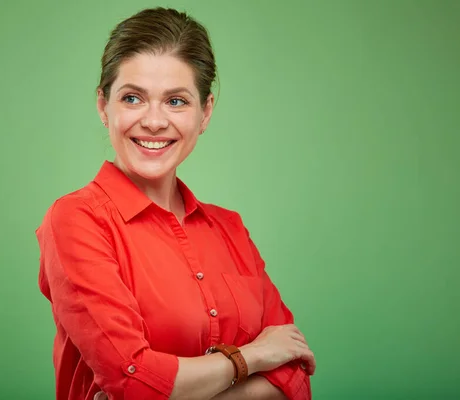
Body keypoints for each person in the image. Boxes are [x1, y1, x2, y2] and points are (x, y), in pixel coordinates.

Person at [35, 7, 316, 400]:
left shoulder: (229, 228)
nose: (153, 121)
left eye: (176, 101)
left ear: (205, 112)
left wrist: (168, 387)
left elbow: (296, 376)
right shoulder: (76, 220)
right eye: (132, 98)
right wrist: (254, 356)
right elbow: (132, 381)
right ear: (104, 106)